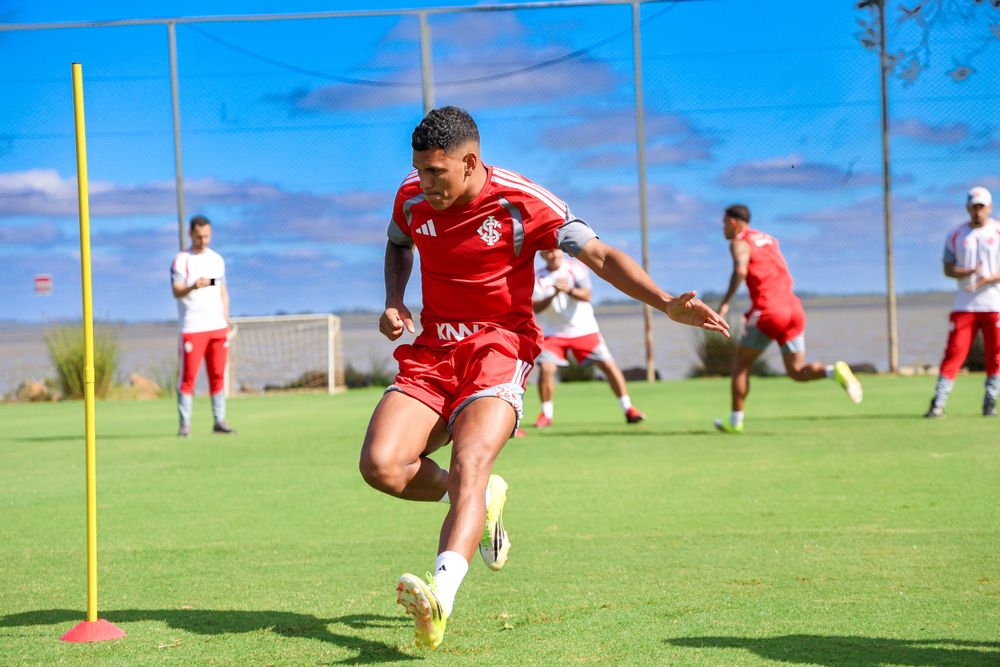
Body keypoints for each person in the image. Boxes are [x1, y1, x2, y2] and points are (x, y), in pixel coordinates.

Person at [358, 106, 728, 650]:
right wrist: (394, 299)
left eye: (436, 171)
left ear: (470, 162)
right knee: (382, 467)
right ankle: (481, 501)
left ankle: (440, 598)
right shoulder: (411, 195)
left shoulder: (525, 201)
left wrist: (665, 302)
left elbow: (599, 254)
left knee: (469, 464)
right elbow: (398, 242)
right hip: (433, 351)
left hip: (500, 347)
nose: (425, 182)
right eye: (419, 170)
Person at [713, 204, 862, 434]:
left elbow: (741, 271)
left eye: (724, 223)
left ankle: (735, 421)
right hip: (794, 309)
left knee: (741, 365)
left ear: (733, 222)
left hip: (768, 311)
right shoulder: (770, 240)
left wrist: (724, 302)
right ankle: (835, 371)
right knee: (796, 371)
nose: (722, 228)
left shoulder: (740, 241)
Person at [530, 248, 645, 427]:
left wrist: (567, 289)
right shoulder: (538, 278)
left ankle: (629, 409)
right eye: (548, 252)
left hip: (584, 328)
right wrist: (554, 293)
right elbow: (536, 308)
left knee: (608, 365)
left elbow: (587, 295)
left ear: (561, 251)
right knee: (546, 368)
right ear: (542, 256)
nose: (553, 255)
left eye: (556, 251)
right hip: (555, 332)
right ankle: (546, 414)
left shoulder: (575, 268)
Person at [925, 186, 1000, 418]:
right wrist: (965, 272)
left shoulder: (998, 231)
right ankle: (938, 403)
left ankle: (990, 402)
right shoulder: (956, 234)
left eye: (981, 207)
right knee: (954, 353)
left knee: (996, 354)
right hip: (964, 305)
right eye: (974, 207)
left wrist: (990, 278)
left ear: (989, 207)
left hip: (994, 305)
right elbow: (947, 268)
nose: (978, 211)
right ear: (968, 208)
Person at [170, 215, 236, 437]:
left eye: (206, 236)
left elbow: (221, 289)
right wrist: (192, 287)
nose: (203, 240)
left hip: (217, 327)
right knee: (188, 377)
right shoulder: (181, 260)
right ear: (191, 234)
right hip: (192, 328)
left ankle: (219, 420)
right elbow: (176, 290)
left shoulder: (216, 260)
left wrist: (225, 319)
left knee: (218, 374)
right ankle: (185, 424)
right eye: (199, 236)